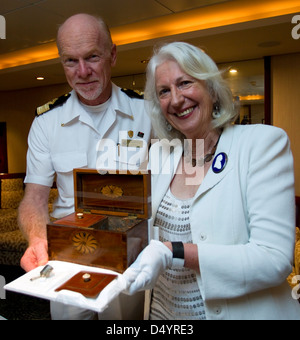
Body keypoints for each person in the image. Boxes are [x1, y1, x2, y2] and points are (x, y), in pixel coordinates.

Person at [120, 42, 300, 320]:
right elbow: (138, 227)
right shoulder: (159, 155)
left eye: (185, 83)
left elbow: (273, 260)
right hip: (162, 313)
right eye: (164, 91)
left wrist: (174, 252)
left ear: (212, 90)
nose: (176, 99)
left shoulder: (262, 144)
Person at [18, 13, 151, 319]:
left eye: (92, 57)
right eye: (70, 61)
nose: (83, 71)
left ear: (113, 55)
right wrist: (38, 239)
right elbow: (34, 199)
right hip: (68, 256)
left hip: (130, 257)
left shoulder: (148, 112)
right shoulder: (46, 123)